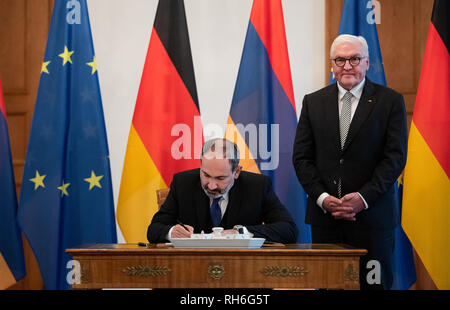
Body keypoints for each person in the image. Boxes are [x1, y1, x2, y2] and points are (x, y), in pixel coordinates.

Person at [292, 34, 407, 290]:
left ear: (367, 62)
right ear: (331, 65)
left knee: (373, 288)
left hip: (373, 218)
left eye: (354, 59)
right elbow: (301, 158)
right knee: (328, 286)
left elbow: (395, 158)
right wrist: (322, 197)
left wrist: (363, 198)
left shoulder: (390, 101)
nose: (347, 66)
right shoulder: (313, 102)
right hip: (326, 220)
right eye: (340, 60)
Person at [148, 138, 298, 244]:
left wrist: (240, 233)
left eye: (220, 178)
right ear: (201, 166)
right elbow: (154, 229)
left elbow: (289, 230)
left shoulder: (257, 186)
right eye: (206, 175)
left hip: (242, 272)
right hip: (192, 271)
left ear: (237, 172)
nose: (211, 185)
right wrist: (172, 231)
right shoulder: (183, 183)